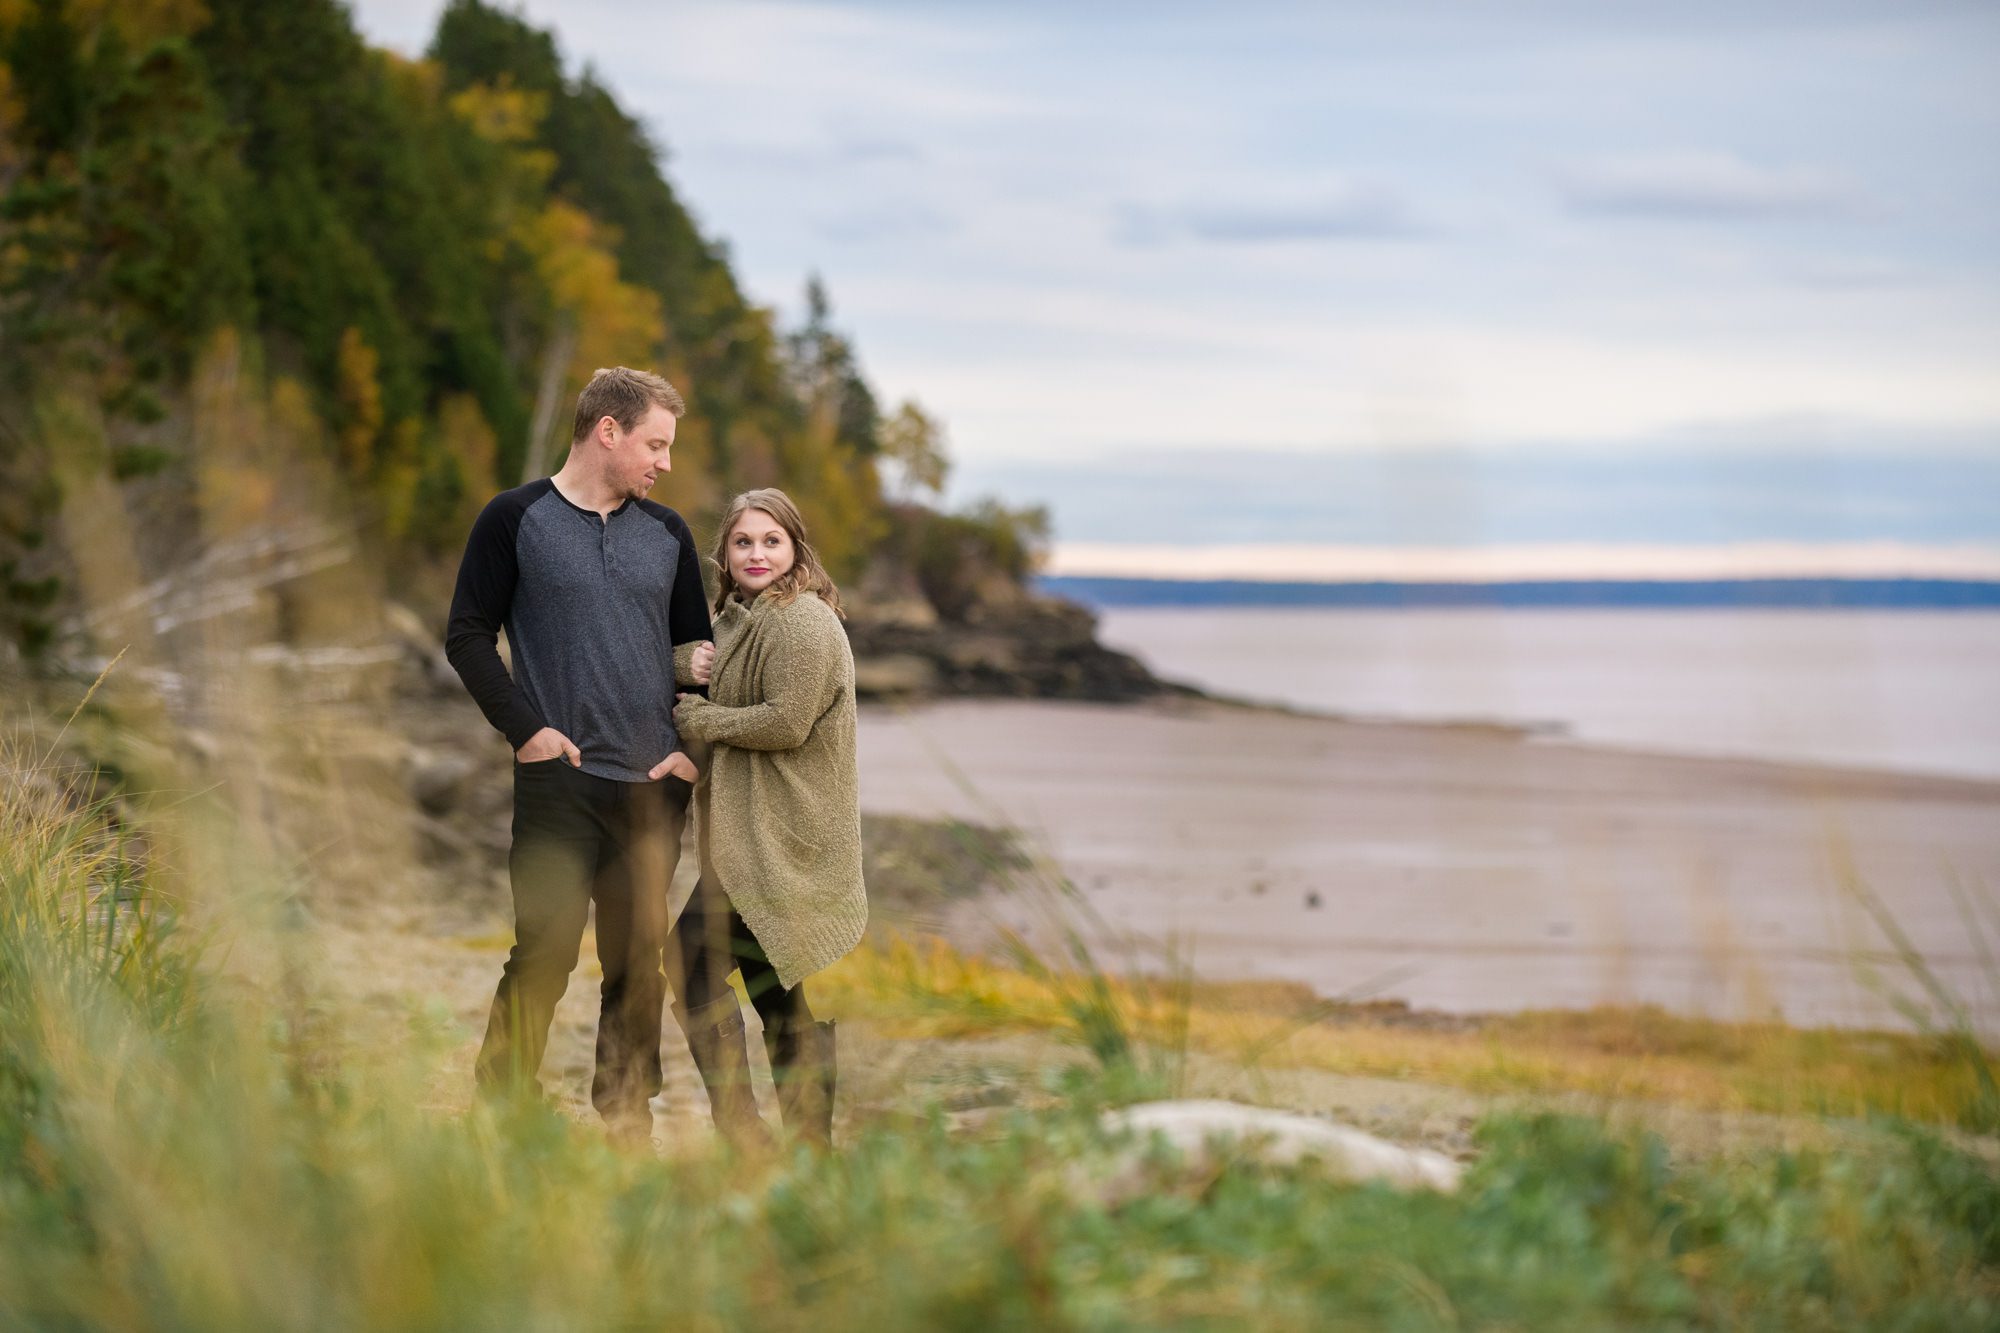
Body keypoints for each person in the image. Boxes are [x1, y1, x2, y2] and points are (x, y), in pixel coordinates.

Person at [444, 366, 711, 1150]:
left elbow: (699, 654)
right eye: (654, 444)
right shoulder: (514, 518)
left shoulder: (668, 535)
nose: (663, 463)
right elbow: (467, 634)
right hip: (558, 780)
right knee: (545, 952)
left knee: (636, 964)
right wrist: (525, 729)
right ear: (608, 431)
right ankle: (498, 1112)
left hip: (653, 786)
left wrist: (692, 753)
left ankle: (627, 1116)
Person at [666, 488, 868, 1149]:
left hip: (783, 835)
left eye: (771, 540)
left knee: (696, 962)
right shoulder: (740, 618)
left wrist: (701, 720)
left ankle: (749, 1136)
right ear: (725, 550)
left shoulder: (801, 623)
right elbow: (710, 673)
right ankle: (804, 1148)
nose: (756, 553)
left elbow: (786, 721)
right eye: (743, 541)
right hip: (751, 834)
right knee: (773, 985)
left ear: (795, 548)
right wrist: (682, 668)